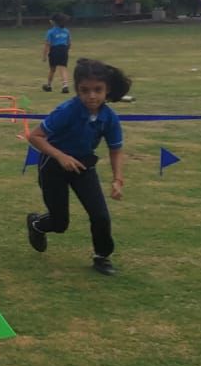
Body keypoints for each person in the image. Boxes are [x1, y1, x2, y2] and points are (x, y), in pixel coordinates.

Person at [25, 58, 130, 275]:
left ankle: (102, 256)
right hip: (53, 166)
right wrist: (60, 156)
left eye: (97, 90)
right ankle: (36, 224)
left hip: (83, 167)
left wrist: (118, 180)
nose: (91, 96)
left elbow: (116, 149)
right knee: (60, 223)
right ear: (77, 90)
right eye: (85, 90)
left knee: (100, 215)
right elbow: (35, 136)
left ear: (107, 90)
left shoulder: (109, 118)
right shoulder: (67, 110)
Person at [41, 13, 71, 94]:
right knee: (63, 68)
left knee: (52, 69)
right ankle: (65, 85)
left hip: (54, 50)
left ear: (54, 22)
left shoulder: (50, 32)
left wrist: (44, 55)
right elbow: (69, 43)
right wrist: (66, 51)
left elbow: (47, 44)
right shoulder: (66, 31)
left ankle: (49, 85)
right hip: (64, 49)